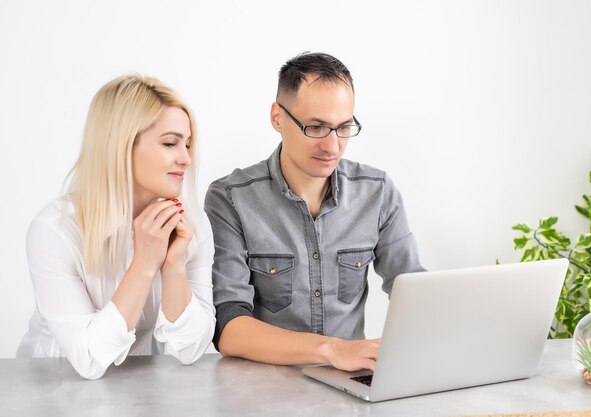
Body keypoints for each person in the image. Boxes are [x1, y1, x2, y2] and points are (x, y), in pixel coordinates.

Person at [205, 52, 425, 371]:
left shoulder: (377, 191)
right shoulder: (230, 197)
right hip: (263, 387)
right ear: (277, 117)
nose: (333, 146)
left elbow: (413, 290)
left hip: (350, 384)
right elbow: (229, 328)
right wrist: (331, 350)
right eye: (316, 127)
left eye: (344, 127)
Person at [17, 75, 216, 379]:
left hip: (137, 392)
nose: (186, 159)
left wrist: (174, 265)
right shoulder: (55, 231)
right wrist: (145, 263)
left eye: (187, 144)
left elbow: (191, 350)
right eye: (170, 143)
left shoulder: (192, 224)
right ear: (120, 146)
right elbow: (88, 360)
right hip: (50, 389)